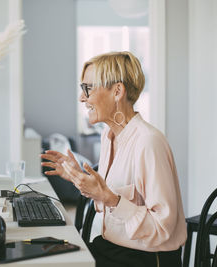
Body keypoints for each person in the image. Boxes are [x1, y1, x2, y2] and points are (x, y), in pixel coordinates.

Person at [40, 51, 187, 267]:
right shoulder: (109, 137)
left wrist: (109, 198)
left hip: (146, 258)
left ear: (117, 91)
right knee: (51, 257)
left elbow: (161, 229)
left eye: (87, 88)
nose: (82, 97)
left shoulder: (149, 142)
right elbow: (111, 204)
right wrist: (78, 178)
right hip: (114, 247)